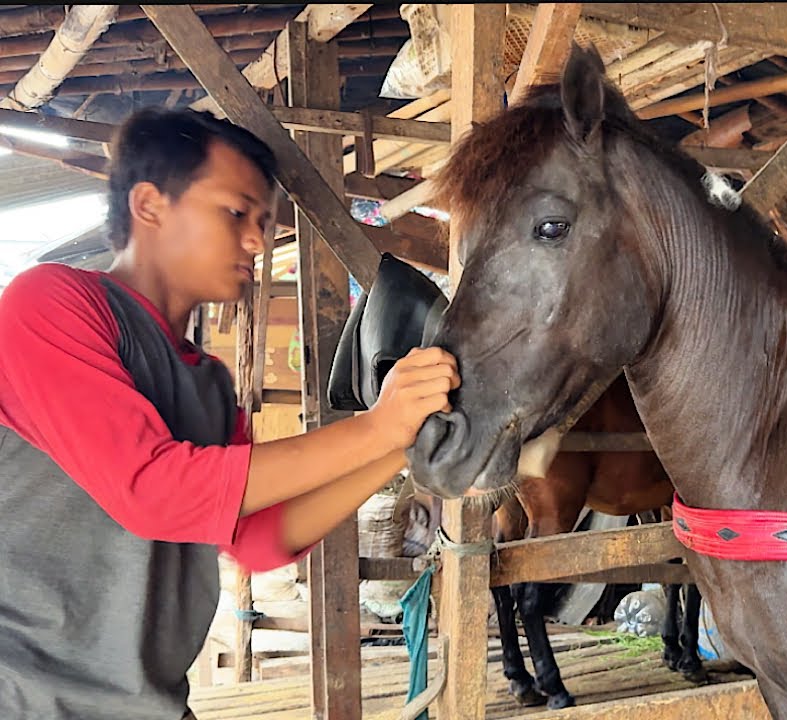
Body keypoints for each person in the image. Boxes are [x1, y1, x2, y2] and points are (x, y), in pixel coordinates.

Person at [0, 107, 459, 719]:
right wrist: (378, 424)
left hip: (145, 706)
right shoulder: (49, 304)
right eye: (236, 212)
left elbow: (261, 539)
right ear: (150, 205)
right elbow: (154, 492)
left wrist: (405, 443)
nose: (257, 241)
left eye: (262, 222)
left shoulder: (210, 384)